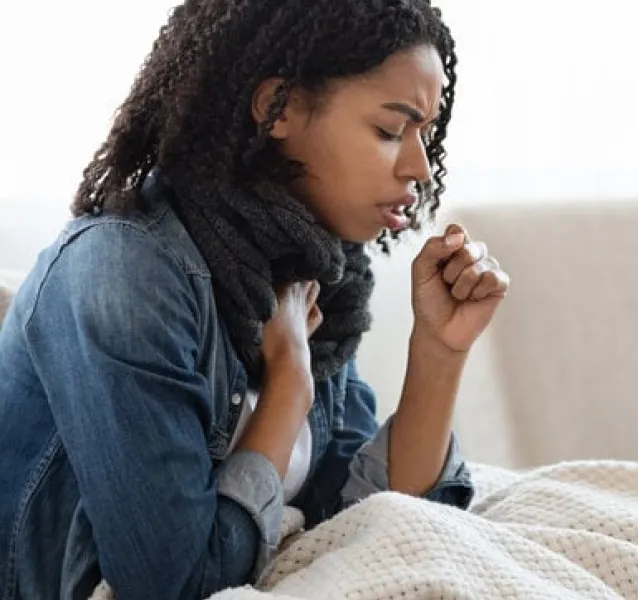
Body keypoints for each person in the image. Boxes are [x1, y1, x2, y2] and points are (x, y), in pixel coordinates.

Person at [0, 1, 509, 598]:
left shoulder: (311, 267)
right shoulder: (123, 274)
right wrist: (290, 383)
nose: (420, 167)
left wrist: (439, 352)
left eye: (427, 133)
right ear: (277, 108)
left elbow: (364, 518)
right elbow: (173, 584)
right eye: (391, 130)